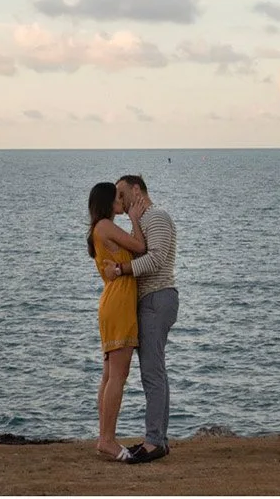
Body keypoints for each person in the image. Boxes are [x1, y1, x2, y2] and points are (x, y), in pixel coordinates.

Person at [101, 173, 177, 463]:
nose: (119, 201)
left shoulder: (155, 217)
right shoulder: (146, 221)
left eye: (122, 194)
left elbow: (155, 258)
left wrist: (121, 270)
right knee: (156, 372)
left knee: (152, 373)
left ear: (137, 190)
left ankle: (154, 441)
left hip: (156, 297)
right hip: (155, 299)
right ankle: (158, 438)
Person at [86, 180, 148, 460]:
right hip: (119, 303)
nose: (121, 201)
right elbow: (140, 247)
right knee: (118, 377)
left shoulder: (98, 229)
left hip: (112, 302)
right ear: (108, 202)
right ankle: (108, 440)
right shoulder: (105, 226)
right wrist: (135, 219)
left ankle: (104, 437)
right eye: (118, 198)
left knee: (110, 375)